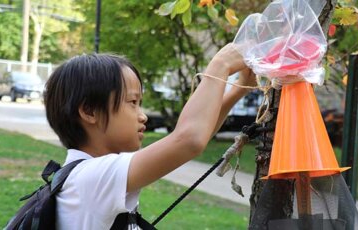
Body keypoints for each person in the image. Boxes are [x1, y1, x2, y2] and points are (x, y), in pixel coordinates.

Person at [44, 43, 255, 229]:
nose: (143, 116)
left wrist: (236, 90)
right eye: (132, 102)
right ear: (90, 112)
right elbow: (188, 140)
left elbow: (196, 134)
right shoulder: (91, 179)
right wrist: (220, 66)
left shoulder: (89, 175)